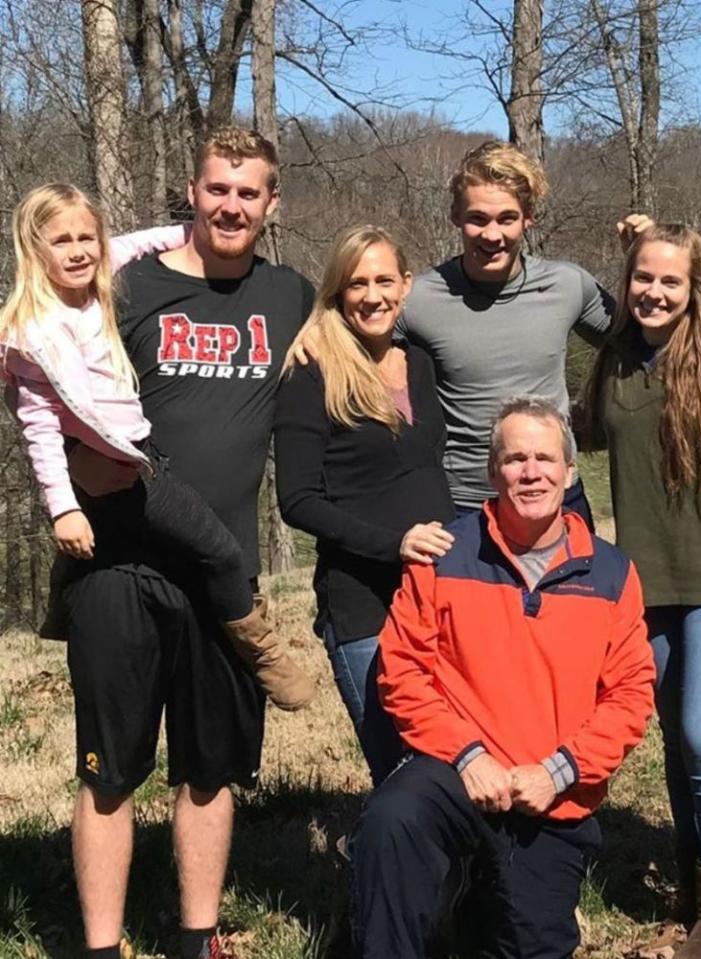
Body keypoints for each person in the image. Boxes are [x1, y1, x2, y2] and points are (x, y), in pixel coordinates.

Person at [58, 128, 315, 959]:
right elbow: (61, 399)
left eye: (248, 193)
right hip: (119, 566)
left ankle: (195, 936)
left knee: (209, 769)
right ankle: (101, 945)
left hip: (227, 577)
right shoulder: (126, 290)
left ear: (271, 205)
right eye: (217, 189)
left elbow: (365, 355)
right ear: (192, 194)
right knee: (109, 771)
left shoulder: (290, 296)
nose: (231, 205)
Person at [348, 394, 656, 959]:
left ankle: (464, 904)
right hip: (455, 774)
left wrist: (559, 771)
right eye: (515, 459)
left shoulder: (612, 573)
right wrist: (467, 756)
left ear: (569, 471)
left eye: (544, 459)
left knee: (527, 943)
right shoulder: (444, 555)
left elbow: (630, 695)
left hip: (551, 796)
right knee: (392, 821)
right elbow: (402, 671)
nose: (531, 472)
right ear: (494, 472)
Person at [0, 183, 313, 712]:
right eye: (60, 241)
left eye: (87, 237)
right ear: (34, 250)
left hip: (138, 456)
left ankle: (61, 602)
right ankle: (261, 651)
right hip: (126, 471)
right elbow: (40, 430)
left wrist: (198, 233)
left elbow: (142, 241)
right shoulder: (35, 333)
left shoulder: (102, 281)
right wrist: (65, 508)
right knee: (219, 548)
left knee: (190, 547)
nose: (78, 250)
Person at [580, 223, 701, 959]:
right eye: (642, 278)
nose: (655, 292)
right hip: (648, 578)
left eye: (672, 280)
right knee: (674, 743)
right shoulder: (615, 359)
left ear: (697, 287)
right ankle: (695, 896)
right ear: (625, 283)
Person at [294, 141, 628, 526]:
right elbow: (355, 330)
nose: (492, 234)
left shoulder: (569, 285)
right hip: (465, 505)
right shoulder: (418, 299)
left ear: (529, 217)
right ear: (455, 214)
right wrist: (318, 332)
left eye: (507, 218)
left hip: (556, 496)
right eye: (478, 218)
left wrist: (647, 251)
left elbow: (641, 341)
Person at [274, 224, 455, 785]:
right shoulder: (313, 372)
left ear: (405, 286)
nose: (371, 296)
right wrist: (394, 544)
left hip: (439, 597)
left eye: (383, 280)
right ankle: (380, 866)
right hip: (363, 604)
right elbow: (297, 500)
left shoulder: (420, 361)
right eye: (356, 283)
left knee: (451, 763)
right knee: (403, 775)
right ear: (337, 293)